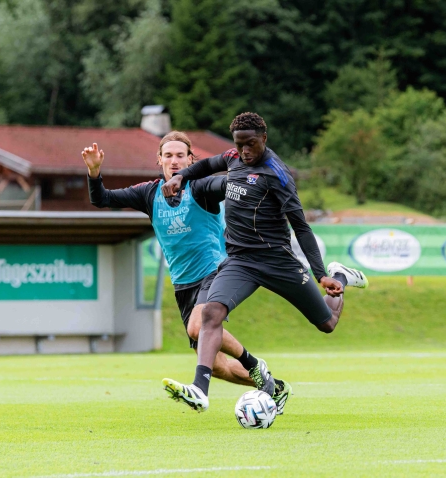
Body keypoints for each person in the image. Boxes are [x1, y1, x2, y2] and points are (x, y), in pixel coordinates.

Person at [161, 113, 368, 412]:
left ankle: (342, 275)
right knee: (211, 313)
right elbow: (207, 164)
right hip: (240, 261)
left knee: (327, 323)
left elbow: (301, 227)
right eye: (240, 144)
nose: (244, 151)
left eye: (251, 144)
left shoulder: (278, 175)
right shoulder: (233, 157)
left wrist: (322, 274)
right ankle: (199, 389)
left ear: (264, 139)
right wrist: (182, 176)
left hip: (277, 262)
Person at [82, 131, 292, 413]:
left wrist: (254, 176)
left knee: (200, 325)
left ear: (191, 160)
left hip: (216, 272)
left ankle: (252, 366)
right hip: (183, 286)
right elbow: (102, 199)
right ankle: (275, 387)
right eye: (168, 155)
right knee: (217, 367)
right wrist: (94, 173)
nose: (174, 160)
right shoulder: (149, 193)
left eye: (181, 155)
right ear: (159, 160)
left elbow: (229, 183)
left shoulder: (202, 188)